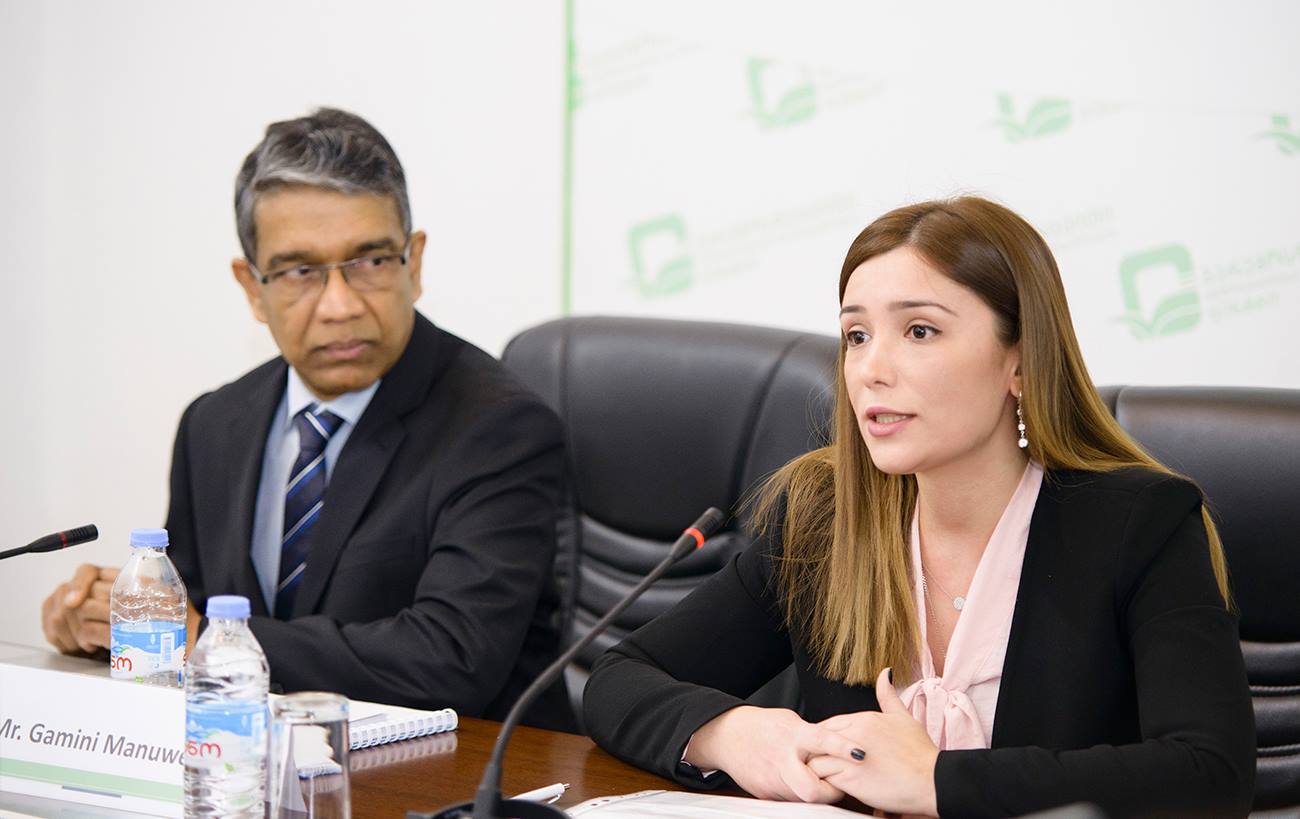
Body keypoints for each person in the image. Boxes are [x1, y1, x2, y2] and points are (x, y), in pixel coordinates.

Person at [583, 196, 1255, 816]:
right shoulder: (822, 520)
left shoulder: (1139, 524)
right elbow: (618, 678)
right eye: (856, 335)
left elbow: (1210, 774)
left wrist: (937, 779)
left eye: (920, 331)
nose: (872, 368)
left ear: (1020, 362)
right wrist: (732, 733)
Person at [40, 108, 572, 730]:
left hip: (460, 769)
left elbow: (451, 658)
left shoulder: (499, 428)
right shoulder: (214, 425)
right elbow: (187, 608)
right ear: (251, 287)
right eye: (300, 272)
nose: (340, 305)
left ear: (415, 262)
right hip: (250, 762)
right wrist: (112, 623)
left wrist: (205, 639)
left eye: (371, 261)